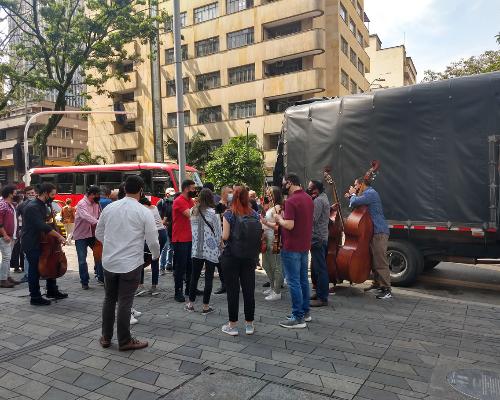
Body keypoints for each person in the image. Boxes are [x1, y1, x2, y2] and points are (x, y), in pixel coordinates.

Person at [96, 175, 160, 351]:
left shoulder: (109, 208)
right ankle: (124, 340)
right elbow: (153, 241)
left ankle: (106, 337)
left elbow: (99, 233)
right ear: (141, 191)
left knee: (109, 299)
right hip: (131, 263)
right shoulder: (144, 212)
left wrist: (112, 245)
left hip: (109, 261)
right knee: (125, 301)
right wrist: (155, 256)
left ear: (124, 189)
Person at [220, 187, 262, 336]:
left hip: (232, 256)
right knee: (249, 290)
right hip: (250, 256)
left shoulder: (229, 214)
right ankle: (249, 324)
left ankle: (233, 325)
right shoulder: (255, 214)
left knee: (233, 291)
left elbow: (225, 236)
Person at [275, 173, 314, 328]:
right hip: (304, 245)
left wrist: (279, 219)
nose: (283, 186)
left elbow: (290, 225)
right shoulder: (308, 198)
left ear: (290, 183)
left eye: (284, 183)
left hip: (291, 246)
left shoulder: (291, 201)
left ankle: (297, 317)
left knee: (293, 282)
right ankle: (305, 312)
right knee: (303, 280)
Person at [22, 183, 67, 306]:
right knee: (35, 269)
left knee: (51, 262)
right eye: (52, 194)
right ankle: (35, 297)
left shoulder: (45, 205)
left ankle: (52, 290)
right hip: (32, 242)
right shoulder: (33, 207)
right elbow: (41, 225)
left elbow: (50, 222)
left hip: (43, 241)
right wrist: (59, 236)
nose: (53, 197)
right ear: (45, 193)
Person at [347, 176, 392, 299]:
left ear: (362, 184)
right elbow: (354, 205)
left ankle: (386, 289)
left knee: (380, 261)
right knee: (374, 260)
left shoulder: (371, 193)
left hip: (379, 231)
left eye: (356, 185)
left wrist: (352, 195)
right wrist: (352, 196)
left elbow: (355, 202)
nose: (355, 187)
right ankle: (377, 284)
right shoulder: (366, 195)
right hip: (374, 232)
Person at [185, 188, 221, 314]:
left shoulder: (192, 211)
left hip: (196, 248)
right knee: (208, 278)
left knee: (194, 277)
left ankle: (190, 304)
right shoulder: (213, 213)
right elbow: (218, 233)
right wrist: (218, 246)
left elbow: (192, 231)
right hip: (210, 249)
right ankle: (205, 306)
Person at [73, 186, 104, 289]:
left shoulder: (96, 204)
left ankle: (101, 278)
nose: (98, 197)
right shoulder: (82, 204)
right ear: (91, 194)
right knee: (82, 259)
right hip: (81, 235)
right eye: (97, 195)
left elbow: (99, 215)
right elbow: (86, 216)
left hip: (93, 234)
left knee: (99, 256)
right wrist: (99, 223)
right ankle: (84, 281)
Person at [136, 196, 167, 296]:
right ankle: (154, 287)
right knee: (155, 259)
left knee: (140, 259)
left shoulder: (144, 210)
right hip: (162, 234)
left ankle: (140, 286)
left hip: (154, 235)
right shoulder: (154, 207)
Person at [172, 179, 196, 302]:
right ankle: (178, 291)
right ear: (186, 188)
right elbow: (191, 214)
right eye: (193, 188)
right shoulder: (179, 201)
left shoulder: (190, 200)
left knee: (190, 266)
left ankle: (189, 289)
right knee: (180, 267)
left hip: (189, 238)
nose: (194, 191)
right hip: (180, 239)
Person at [307, 180, 331, 307]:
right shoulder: (324, 197)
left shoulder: (318, 201)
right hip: (322, 237)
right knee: (317, 268)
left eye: (310, 188)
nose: (308, 189)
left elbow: (313, 219)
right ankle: (319, 293)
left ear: (316, 190)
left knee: (320, 269)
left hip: (317, 238)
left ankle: (323, 298)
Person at [260, 186, 283, 301]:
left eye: (270, 193)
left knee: (276, 266)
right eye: (267, 193)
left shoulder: (278, 207)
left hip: (274, 239)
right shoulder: (271, 207)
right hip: (266, 238)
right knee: (266, 264)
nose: (268, 195)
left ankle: (277, 291)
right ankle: (272, 286)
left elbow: (279, 226)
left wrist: (266, 223)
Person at [213, 185, 233, 295]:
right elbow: (216, 223)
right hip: (222, 237)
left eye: (232, 192)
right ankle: (224, 284)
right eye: (229, 192)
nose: (231, 194)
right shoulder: (217, 206)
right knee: (221, 262)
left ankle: (232, 283)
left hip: (233, 238)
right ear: (223, 194)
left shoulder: (234, 205)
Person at [0, 185, 20, 288]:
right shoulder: (3, 204)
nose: (16, 194)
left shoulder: (11, 204)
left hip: (11, 236)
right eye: (15, 192)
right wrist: (4, 234)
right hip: (5, 236)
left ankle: (7, 277)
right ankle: (2, 279)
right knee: (6, 258)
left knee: (8, 257)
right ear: (9, 194)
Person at [17, 186, 36, 284]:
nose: (31, 195)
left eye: (32, 193)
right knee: (26, 255)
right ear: (25, 195)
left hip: (38, 233)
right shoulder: (22, 205)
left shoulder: (41, 204)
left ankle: (37, 272)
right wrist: (18, 229)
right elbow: (15, 217)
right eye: (29, 193)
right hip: (26, 233)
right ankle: (27, 274)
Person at [158, 187, 175, 273]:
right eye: (171, 195)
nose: (173, 196)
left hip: (172, 227)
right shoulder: (161, 202)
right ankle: (162, 265)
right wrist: (164, 223)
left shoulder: (174, 203)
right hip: (164, 227)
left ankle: (169, 264)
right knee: (165, 246)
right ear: (166, 194)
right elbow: (159, 216)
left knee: (171, 247)